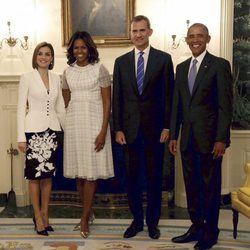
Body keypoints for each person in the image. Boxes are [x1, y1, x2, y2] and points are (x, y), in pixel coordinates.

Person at [169, 23, 233, 249]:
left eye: (199, 36)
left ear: (208, 38)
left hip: (211, 141)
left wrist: (221, 139)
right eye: (191, 36)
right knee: (192, 186)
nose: (195, 40)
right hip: (187, 140)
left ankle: (211, 231)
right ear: (186, 40)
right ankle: (196, 227)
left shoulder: (219, 65)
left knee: (210, 188)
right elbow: (177, 104)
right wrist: (174, 135)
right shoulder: (182, 67)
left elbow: (226, 106)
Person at [112, 15, 174, 239]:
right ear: (130, 34)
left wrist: (168, 127)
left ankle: (153, 223)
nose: (137, 35)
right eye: (134, 31)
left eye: (141, 30)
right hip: (128, 132)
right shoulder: (121, 62)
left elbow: (169, 96)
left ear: (150, 32)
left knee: (155, 179)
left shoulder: (164, 60)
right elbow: (117, 98)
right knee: (132, 179)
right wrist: (117, 128)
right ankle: (137, 221)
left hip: (156, 131)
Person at [62, 31, 114, 238]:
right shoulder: (67, 72)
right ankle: (87, 212)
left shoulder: (99, 69)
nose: (80, 51)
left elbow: (107, 103)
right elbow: (66, 101)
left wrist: (103, 131)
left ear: (89, 48)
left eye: (83, 47)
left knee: (91, 171)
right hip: (75, 124)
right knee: (80, 171)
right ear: (72, 50)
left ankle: (84, 218)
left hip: (94, 122)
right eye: (76, 47)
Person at [17, 42, 65, 236]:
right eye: (40, 54)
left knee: (47, 176)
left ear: (52, 58)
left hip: (52, 131)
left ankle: (45, 214)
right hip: (33, 132)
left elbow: (60, 108)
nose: (44, 57)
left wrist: (67, 131)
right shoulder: (26, 78)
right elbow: (21, 109)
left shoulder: (56, 78)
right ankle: (37, 216)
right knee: (34, 177)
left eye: (48, 54)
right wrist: (21, 137)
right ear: (35, 57)